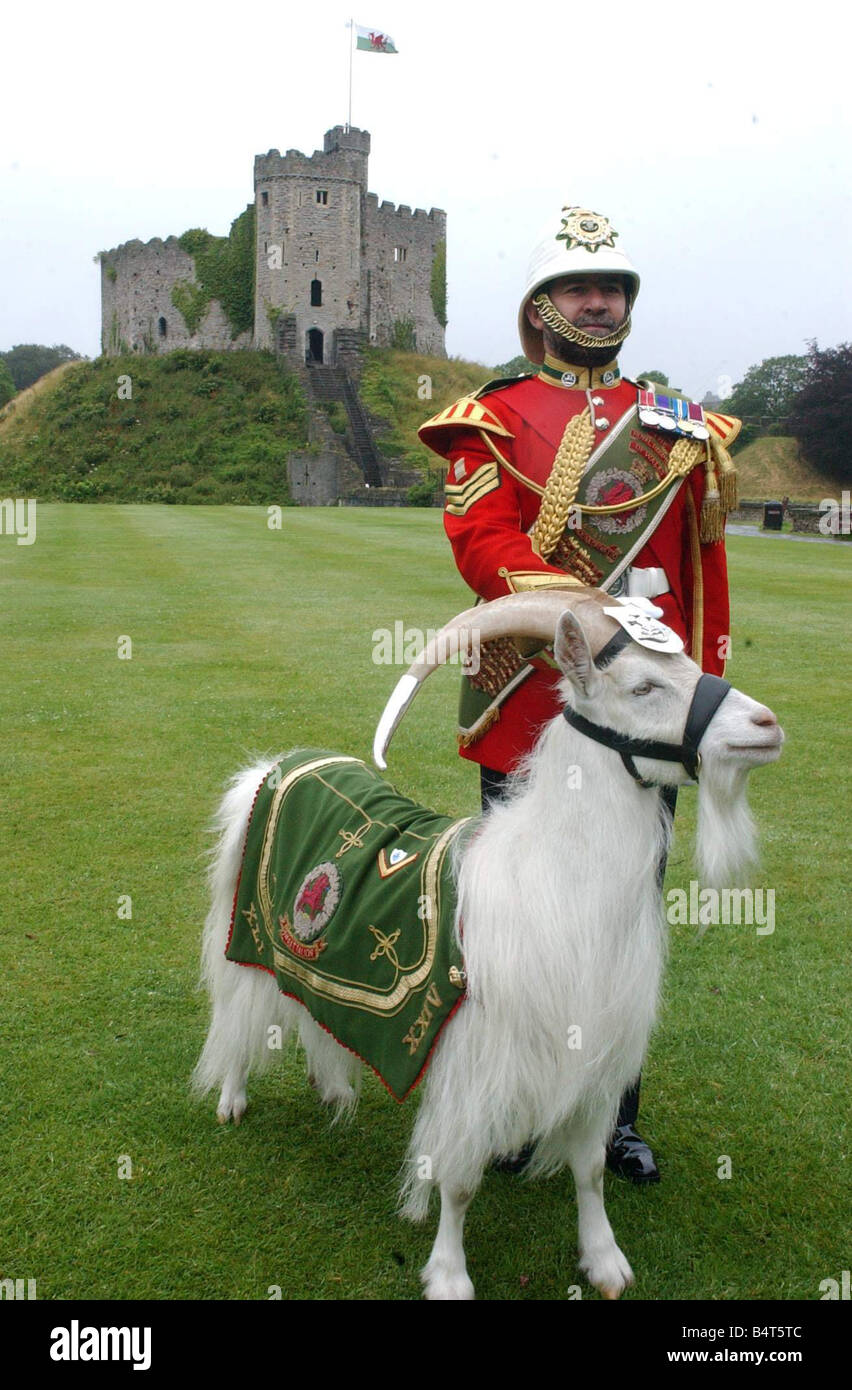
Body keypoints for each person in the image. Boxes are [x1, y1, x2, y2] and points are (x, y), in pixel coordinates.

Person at [418, 204, 742, 1183]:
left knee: (624, 919)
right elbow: (484, 547)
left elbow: (702, 571)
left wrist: (705, 691)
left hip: (642, 721)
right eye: (579, 286)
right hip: (529, 705)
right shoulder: (495, 416)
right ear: (542, 303)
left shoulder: (674, 427)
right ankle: (515, 1110)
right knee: (518, 921)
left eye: (614, 288)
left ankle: (611, 1120)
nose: (598, 302)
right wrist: (582, 609)